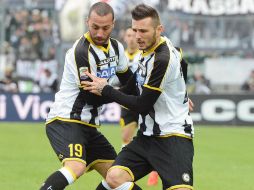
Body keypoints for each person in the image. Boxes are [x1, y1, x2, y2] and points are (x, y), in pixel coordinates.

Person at [83, 4, 194, 190]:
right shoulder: (149, 49)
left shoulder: (162, 58)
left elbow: (142, 104)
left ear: (159, 29)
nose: (138, 36)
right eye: (135, 30)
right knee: (114, 177)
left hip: (174, 137)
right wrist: (180, 91)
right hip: (147, 137)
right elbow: (182, 63)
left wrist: (106, 90)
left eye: (143, 31)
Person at [39, 2, 133, 190]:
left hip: (89, 126)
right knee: (76, 166)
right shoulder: (81, 52)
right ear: (87, 22)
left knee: (117, 177)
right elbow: (90, 97)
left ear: (113, 24)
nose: (99, 33)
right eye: (95, 27)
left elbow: (129, 82)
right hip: (66, 119)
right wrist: (116, 92)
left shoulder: (117, 48)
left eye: (105, 28)